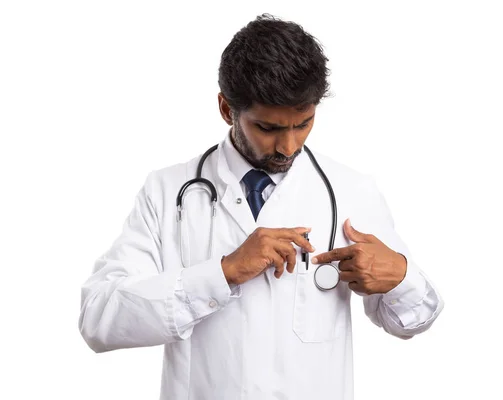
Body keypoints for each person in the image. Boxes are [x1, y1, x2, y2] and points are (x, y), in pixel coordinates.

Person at [79, 13, 444, 400]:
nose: (288, 147)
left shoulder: (351, 190)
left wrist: (401, 278)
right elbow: (99, 319)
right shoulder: (168, 191)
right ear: (226, 109)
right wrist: (223, 273)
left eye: (303, 124)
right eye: (268, 128)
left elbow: (411, 321)